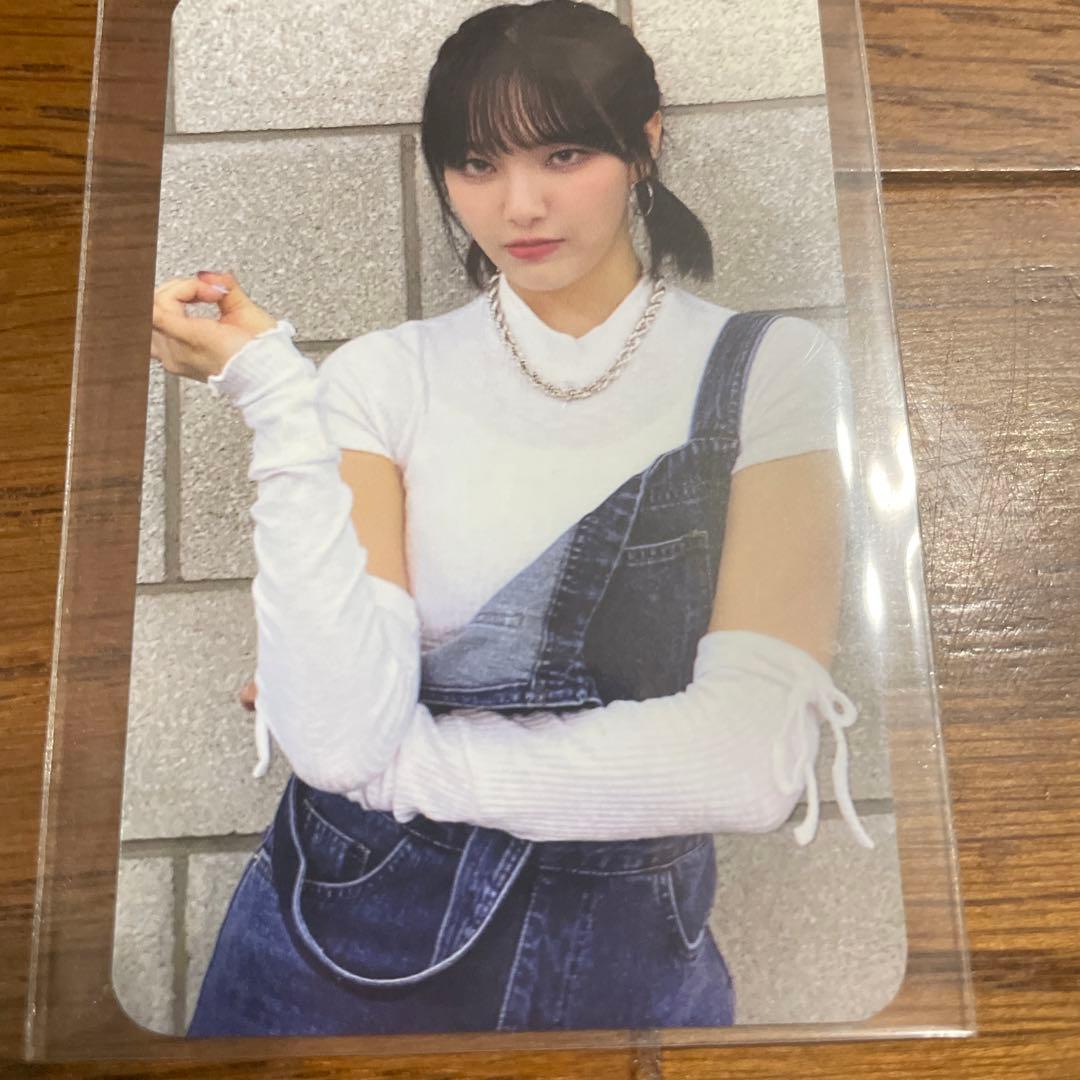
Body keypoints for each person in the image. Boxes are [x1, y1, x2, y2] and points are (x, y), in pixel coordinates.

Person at [149, 0, 871, 1038]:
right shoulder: (382, 378)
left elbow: (750, 762)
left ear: (645, 143)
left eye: (564, 154)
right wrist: (275, 394)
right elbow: (339, 736)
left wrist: (403, 762)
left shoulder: (771, 371)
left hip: (628, 964)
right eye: (477, 164)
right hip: (340, 944)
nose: (520, 205)